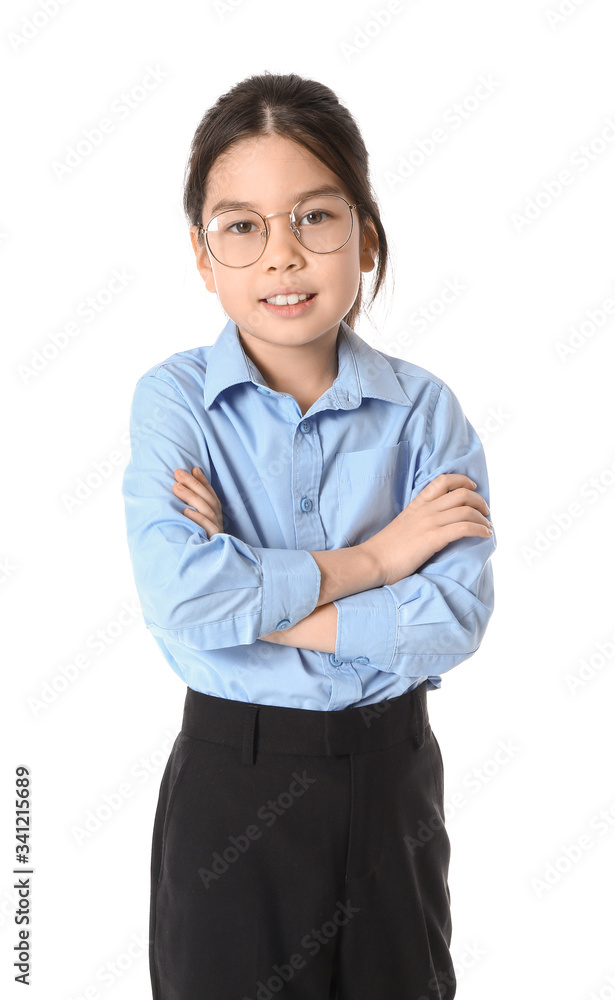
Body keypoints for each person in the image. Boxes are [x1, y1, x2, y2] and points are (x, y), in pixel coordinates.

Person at [121, 71, 495, 1000]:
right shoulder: (175, 403)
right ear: (203, 258)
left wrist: (254, 598)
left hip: (391, 781)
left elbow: (451, 618)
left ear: (366, 236)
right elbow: (182, 596)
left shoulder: (423, 413)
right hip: (232, 783)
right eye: (241, 226)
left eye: (315, 218)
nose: (281, 257)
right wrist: (374, 562)